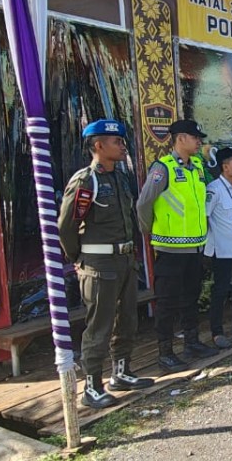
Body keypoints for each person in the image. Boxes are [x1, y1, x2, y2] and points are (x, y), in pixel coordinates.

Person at [59, 119, 154, 409]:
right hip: (99, 262)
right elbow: (66, 226)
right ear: (98, 146)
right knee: (98, 325)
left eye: (123, 140)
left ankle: (121, 373)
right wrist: (79, 259)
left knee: (126, 319)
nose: (123, 145)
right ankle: (91, 387)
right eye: (116, 141)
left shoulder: (119, 177)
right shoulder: (87, 180)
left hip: (124, 260)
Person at [137, 119, 218, 372]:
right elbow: (143, 204)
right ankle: (165, 352)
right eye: (195, 138)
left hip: (195, 247)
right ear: (181, 138)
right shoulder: (164, 168)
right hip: (170, 249)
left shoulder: (196, 168)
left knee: (190, 298)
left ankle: (192, 341)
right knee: (167, 303)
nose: (199, 142)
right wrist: (150, 231)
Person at [204, 147, 232, 349]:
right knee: (220, 291)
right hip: (222, 249)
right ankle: (217, 331)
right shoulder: (214, 189)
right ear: (225, 166)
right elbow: (204, 217)